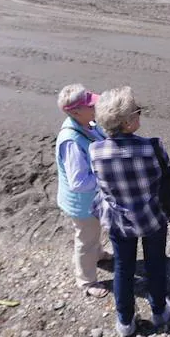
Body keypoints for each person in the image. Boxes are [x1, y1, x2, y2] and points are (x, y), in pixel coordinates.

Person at [89, 86, 170, 337]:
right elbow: (165, 176)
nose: (140, 114)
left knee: (124, 268)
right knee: (155, 264)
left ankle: (125, 321)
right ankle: (159, 310)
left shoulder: (95, 151)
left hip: (119, 219)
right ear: (127, 123)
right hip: (151, 216)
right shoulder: (153, 147)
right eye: (137, 111)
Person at [54, 84, 112, 298]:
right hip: (82, 203)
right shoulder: (70, 141)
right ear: (75, 111)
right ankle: (86, 281)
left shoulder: (87, 124)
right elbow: (78, 182)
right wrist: (105, 178)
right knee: (85, 240)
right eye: (90, 104)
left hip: (92, 201)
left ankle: (97, 254)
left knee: (94, 232)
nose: (95, 105)